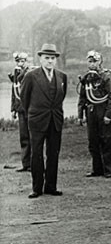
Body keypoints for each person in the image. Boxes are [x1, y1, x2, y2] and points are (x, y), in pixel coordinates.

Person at [20, 43, 67, 198]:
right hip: (37, 121)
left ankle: (51, 186)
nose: (50, 61)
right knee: (36, 154)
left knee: (53, 154)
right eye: (46, 58)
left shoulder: (62, 76)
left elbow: (61, 97)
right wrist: (33, 115)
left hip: (55, 121)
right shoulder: (31, 76)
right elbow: (24, 99)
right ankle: (37, 188)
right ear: (40, 59)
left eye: (52, 58)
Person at [78, 50, 111, 178]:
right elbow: (82, 98)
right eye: (90, 61)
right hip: (91, 111)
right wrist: (80, 115)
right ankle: (97, 169)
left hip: (104, 109)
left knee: (106, 140)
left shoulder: (106, 76)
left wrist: (108, 114)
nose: (92, 64)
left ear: (100, 62)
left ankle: (108, 169)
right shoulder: (87, 78)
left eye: (95, 61)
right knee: (93, 141)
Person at [8, 52, 31, 172]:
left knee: (33, 136)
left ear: (27, 62)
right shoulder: (16, 74)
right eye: (18, 61)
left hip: (31, 109)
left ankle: (34, 163)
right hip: (21, 109)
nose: (20, 64)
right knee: (24, 137)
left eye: (22, 61)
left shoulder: (30, 73)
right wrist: (13, 109)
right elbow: (14, 92)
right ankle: (25, 163)